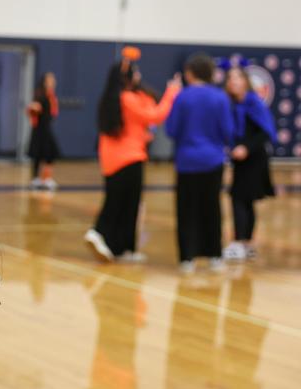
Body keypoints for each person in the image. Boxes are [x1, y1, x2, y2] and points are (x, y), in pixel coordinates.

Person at [85, 46, 181, 262]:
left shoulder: (112, 98)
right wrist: (172, 92)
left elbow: (138, 122)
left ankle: (118, 247)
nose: (139, 75)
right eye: (135, 72)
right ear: (127, 77)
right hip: (129, 158)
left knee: (120, 201)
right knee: (126, 205)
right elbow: (155, 116)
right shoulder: (127, 98)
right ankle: (102, 234)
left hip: (111, 159)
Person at [164, 53, 233, 272]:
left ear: (190, 73)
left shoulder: (182, 97)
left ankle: (187, 258)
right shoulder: (220, 97)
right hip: (213, 160)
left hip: (187, 161)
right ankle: (215, 256)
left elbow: (171, 129)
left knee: (186, 210)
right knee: (212, 207)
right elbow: (228, 131)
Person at [222, 64, 276, 261]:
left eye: (237, 78)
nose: (233, 82)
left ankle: (240, 242)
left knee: (240, 198)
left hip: (254, 159)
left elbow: (265, 132)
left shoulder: (253, 103)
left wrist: (246, 148)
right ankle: (246, 243)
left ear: (245, 81)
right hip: (239, 160)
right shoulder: (231, 104)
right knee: (243, 199)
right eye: (230, 78)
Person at [27, 72, 60, 190]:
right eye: (50, 80)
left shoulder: (51, 95)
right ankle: (36, 179)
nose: (53, 81)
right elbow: (32, 108)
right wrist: (33, 108)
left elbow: (53, 112)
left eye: (53, 79)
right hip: (40, 129)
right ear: (45, 82)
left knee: (50, 153)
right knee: (39, 154)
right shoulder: (40, 95)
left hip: (46, 127)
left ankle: (46, 179)